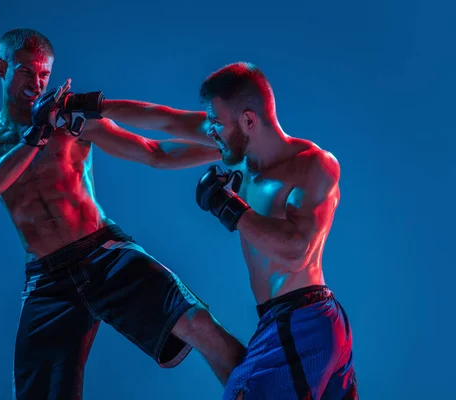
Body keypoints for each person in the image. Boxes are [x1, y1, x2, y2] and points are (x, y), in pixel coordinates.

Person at [0, 28, 247, 400]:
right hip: (47, 280)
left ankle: (268, 391)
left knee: (200, 324)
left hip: (102, 251)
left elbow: (154, 153)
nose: (36, 83)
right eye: (25, 72)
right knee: (38, 394)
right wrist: (36, 133)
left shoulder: (71, 120)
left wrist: (231, 150)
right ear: (2, 67)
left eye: (44, 74)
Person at [100, 62, 358, 399]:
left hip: (304, 321)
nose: (209, 131)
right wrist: (92, 112)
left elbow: (297, 252)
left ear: (249, 121)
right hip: (282, 322)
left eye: (217, 123)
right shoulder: (236, 152)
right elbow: (163, 128)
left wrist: (229, 206)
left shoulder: (313, 165)